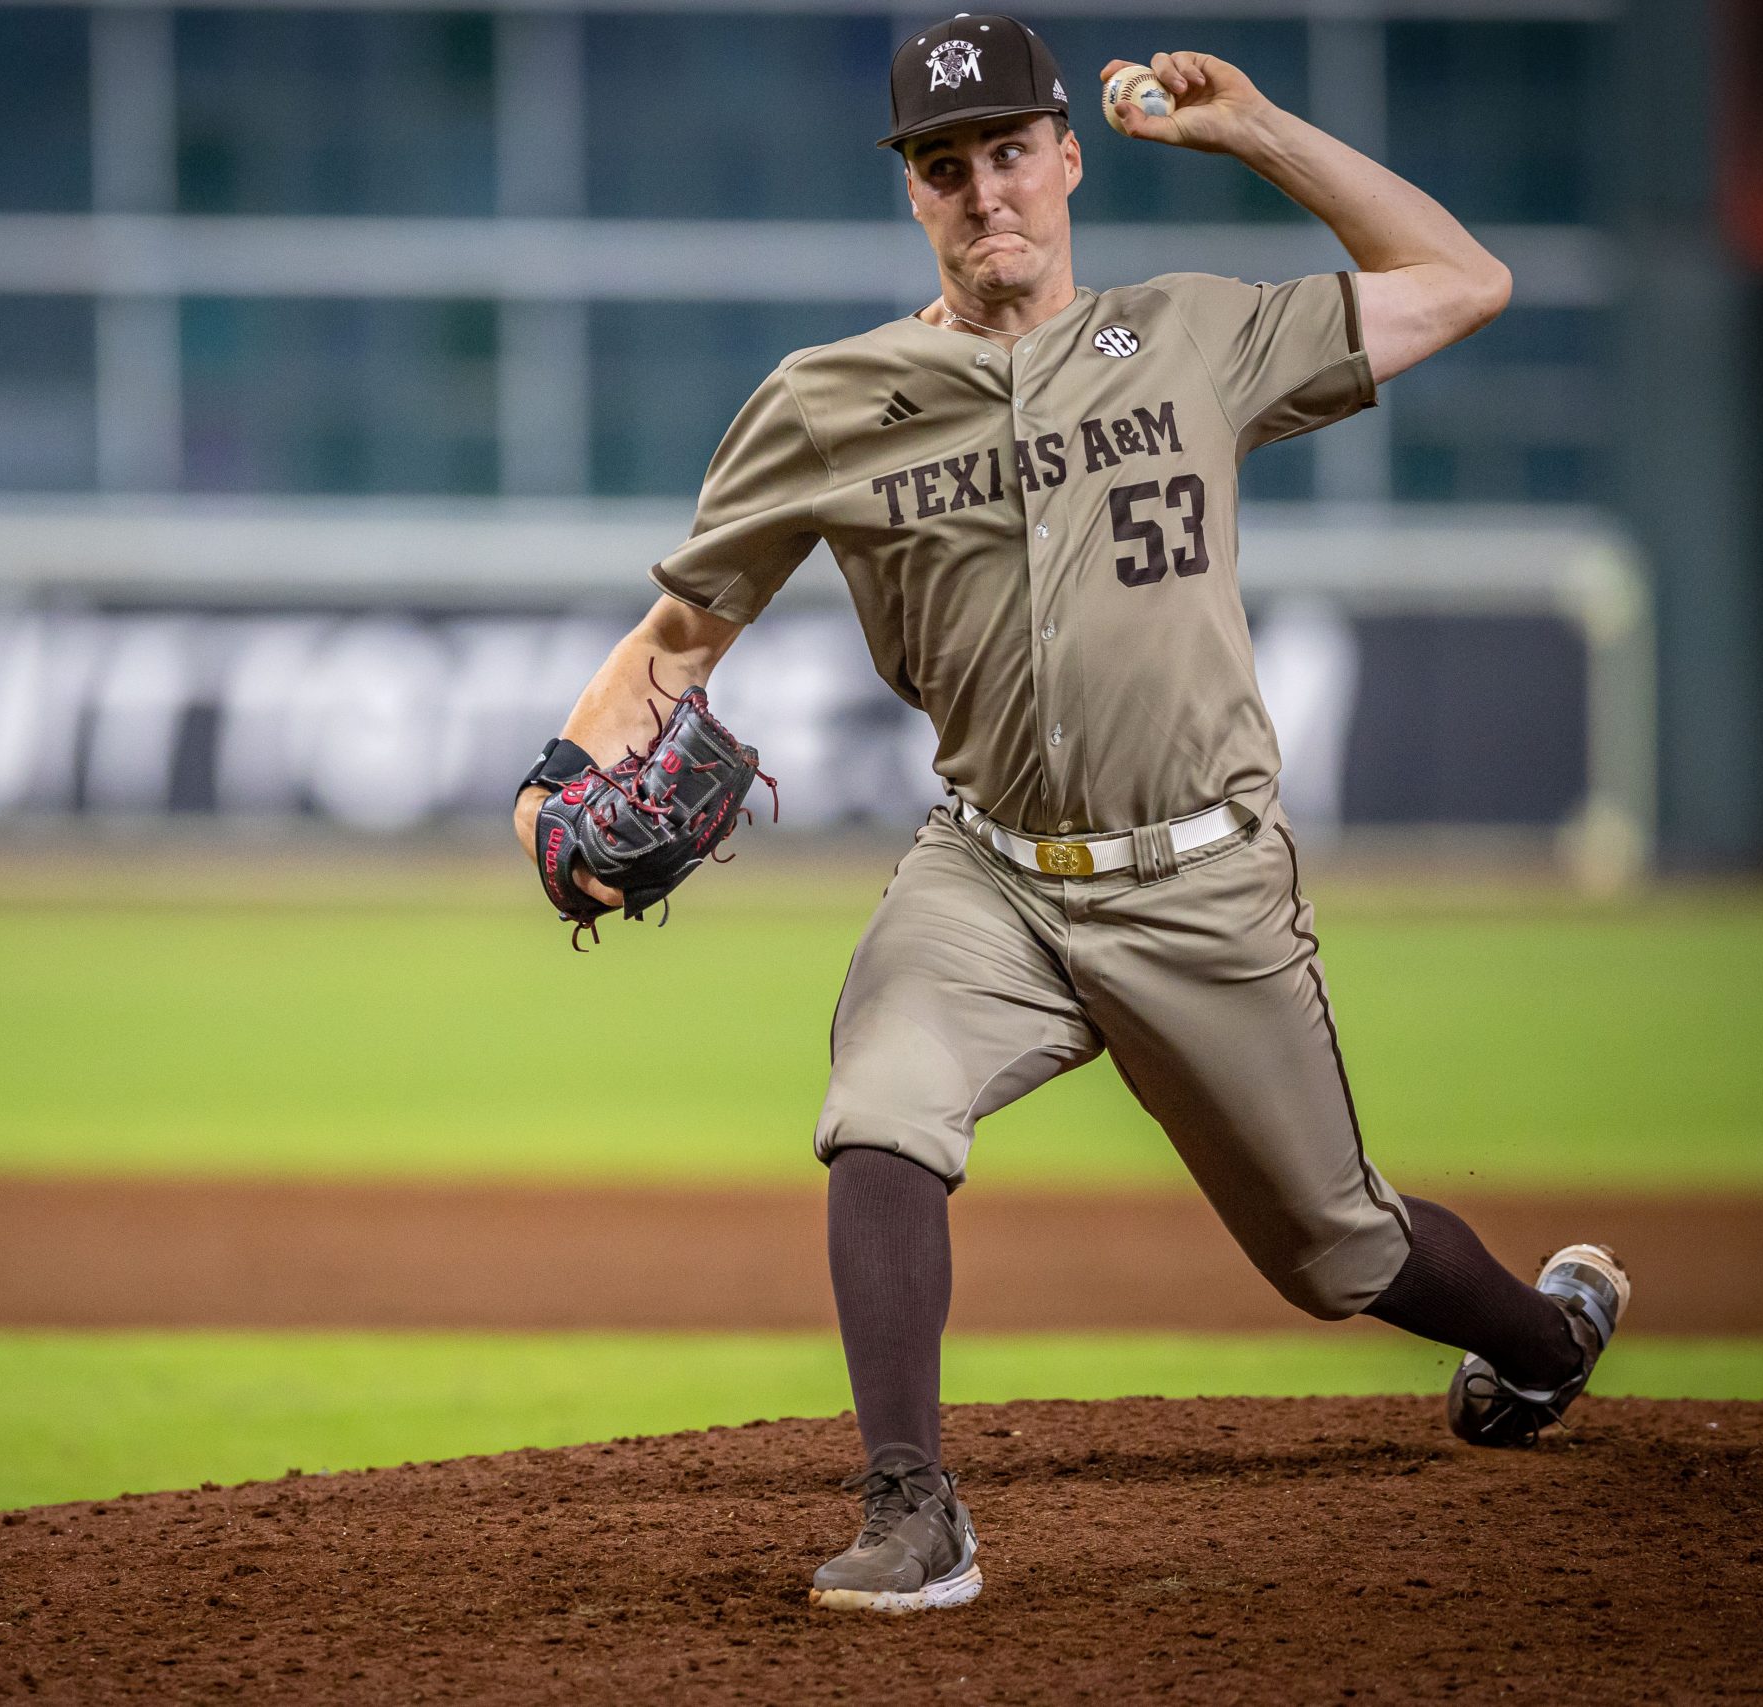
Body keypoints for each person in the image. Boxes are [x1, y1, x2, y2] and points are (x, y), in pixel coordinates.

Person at [511, 14, 1632, 1614]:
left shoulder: (1196, 336)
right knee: (882, 1111)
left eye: (1009, 152)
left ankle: (1542, 1342)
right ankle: (912, 1510)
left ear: (1066, 156)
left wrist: (1258, 135)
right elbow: (678, 642)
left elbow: (1466, 282)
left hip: (1205, 883)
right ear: (914, 192)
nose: (985, 192)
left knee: (1339, 1255)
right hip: (991, 876)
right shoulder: (829, 400)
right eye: (945, 167)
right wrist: (553, 786)